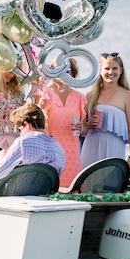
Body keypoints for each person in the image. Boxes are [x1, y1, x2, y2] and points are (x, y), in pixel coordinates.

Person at [79, 52, 130, 174]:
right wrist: (89, 124)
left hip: (114, 150)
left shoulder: (127, 96)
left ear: (121, 70)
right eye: (106, 68)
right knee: (86, 187)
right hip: (91, 148)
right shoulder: (90, 96)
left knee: (111, 186)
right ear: (100, 71)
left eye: (114, 68)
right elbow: (82, 131)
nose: (111, 72)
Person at [37, 59, 88, 189]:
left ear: (72, 73)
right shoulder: (43, 93)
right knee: (50, 188)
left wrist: (82, 127)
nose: (62, 73)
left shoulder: (79, 97)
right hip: (50, 149)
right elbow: (35, 125)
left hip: (72, 151)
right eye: (57, 69)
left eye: (67, 70)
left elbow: (83, 130)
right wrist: (40, 108)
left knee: (73, 187)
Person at [0, 103, 66, 183]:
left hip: (18, 194)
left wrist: (1, 157)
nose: (20, 134)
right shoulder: (59, 148)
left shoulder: (22, 143)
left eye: (20, 129)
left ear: (27, 125)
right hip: (45, 194)